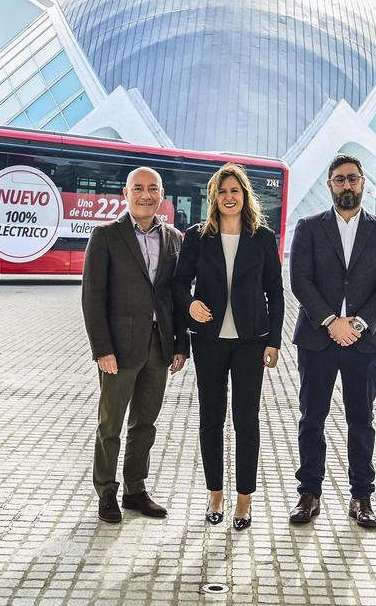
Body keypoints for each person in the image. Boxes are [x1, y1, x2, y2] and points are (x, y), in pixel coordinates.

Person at [287, 154, 376, 530]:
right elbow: (300, 281)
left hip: (364, 341)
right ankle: (309, 494)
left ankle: (361, 496)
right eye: (339, 180)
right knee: (312, 418)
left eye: (352, 178)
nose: (347, 185)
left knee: (361, 420)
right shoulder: (308, 227)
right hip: (318, 339)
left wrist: (358, 323)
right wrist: (331, 322)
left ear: (363, 182)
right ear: (329, 185)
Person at [173, 163, 284, 531]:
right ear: (213, 197)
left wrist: (274, 341)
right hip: (208, 342)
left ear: (245, 195)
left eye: (235, 191)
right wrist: (189, 305)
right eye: (222, 191)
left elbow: (276, 293)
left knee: (246, 421)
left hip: (251, 342)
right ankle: (215, 494)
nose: (229, 197)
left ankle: (244, 502)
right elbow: (179, 284)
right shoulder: (196, 237)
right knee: (211, 420)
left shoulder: (263, 238)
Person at [81, 167, 189, 523]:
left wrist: (180, 344)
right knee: (110, 424)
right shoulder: (106, 236)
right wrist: (102, 350)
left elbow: (176, 296)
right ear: (125, 194)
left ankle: (135, 490)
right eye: (138, 188)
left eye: (152, 189)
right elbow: (93, 297)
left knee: (145, 424)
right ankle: (106, 492)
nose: (145, 195)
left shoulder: (174, 238)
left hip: (159, 348)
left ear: (161, 195)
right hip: (119, 349)